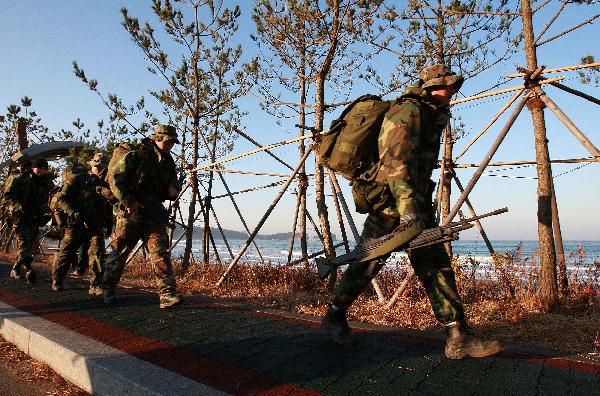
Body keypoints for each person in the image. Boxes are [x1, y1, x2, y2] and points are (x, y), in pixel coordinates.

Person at [321, 64, 502, 360]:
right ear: (432, 86)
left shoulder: (428, 113)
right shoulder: (408, 112)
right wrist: (408, 213)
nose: (453, 92)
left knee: (433, 262)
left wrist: (415, 208)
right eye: (449, 86)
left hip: (411, 204)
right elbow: (396, 164)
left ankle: (458, 335)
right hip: (394, 206)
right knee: (367, 261)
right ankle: (335, 315)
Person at [102, 124, 183, 309]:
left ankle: (167, 294)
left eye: (172, 142)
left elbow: (174, 183)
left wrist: (173, 190)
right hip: (130, 214)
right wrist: (129, 201)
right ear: (157, 139)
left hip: (153, 212)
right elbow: (116, 180)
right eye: (167, 141)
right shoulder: (136, 155)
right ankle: (107, 287)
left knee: (160, 252)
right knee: (120, 252)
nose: (170, 145)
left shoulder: (168, 161)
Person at [50, 153, 113, 294]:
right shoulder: (78, 178)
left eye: (102, 167)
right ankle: (57, 279)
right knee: (67, 252)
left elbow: (107, 205)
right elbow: (62, 198)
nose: (100, 169)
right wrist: (73, 212)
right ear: (92, 166)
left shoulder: (107, 182)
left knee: (98, 253)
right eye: (97, 166)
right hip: (76, 223)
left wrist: (109, 224)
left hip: (95, 223)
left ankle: (96, 284)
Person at [3, 158, 54, 283]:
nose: (41, 171)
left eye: (44, 169)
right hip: (19, 217)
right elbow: (7, 197)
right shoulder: (20, 179)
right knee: (24, 241)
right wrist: (19, 207)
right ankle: (28, 268)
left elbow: (53, 196)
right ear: (33, 168)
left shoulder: (47, 182)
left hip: (34, 218)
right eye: (39, 168)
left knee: (27, 243)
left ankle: (16, 267)